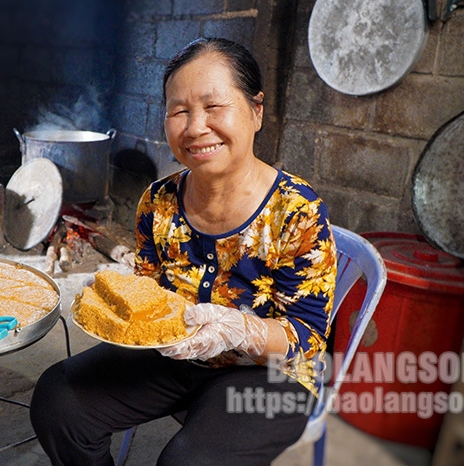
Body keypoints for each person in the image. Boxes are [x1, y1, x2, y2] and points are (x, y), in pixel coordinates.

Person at [30, 37, 337, 466]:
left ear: (256, 111)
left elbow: (308, 338)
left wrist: (238, 330)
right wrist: (110, 303)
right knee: (58, 400)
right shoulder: (158, 201)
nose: (195, 127)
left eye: (214, 107)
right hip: (173, 355)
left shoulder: (297, 211)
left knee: (188, 461)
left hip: (271, 374)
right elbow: (147, 295)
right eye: (179, 111)